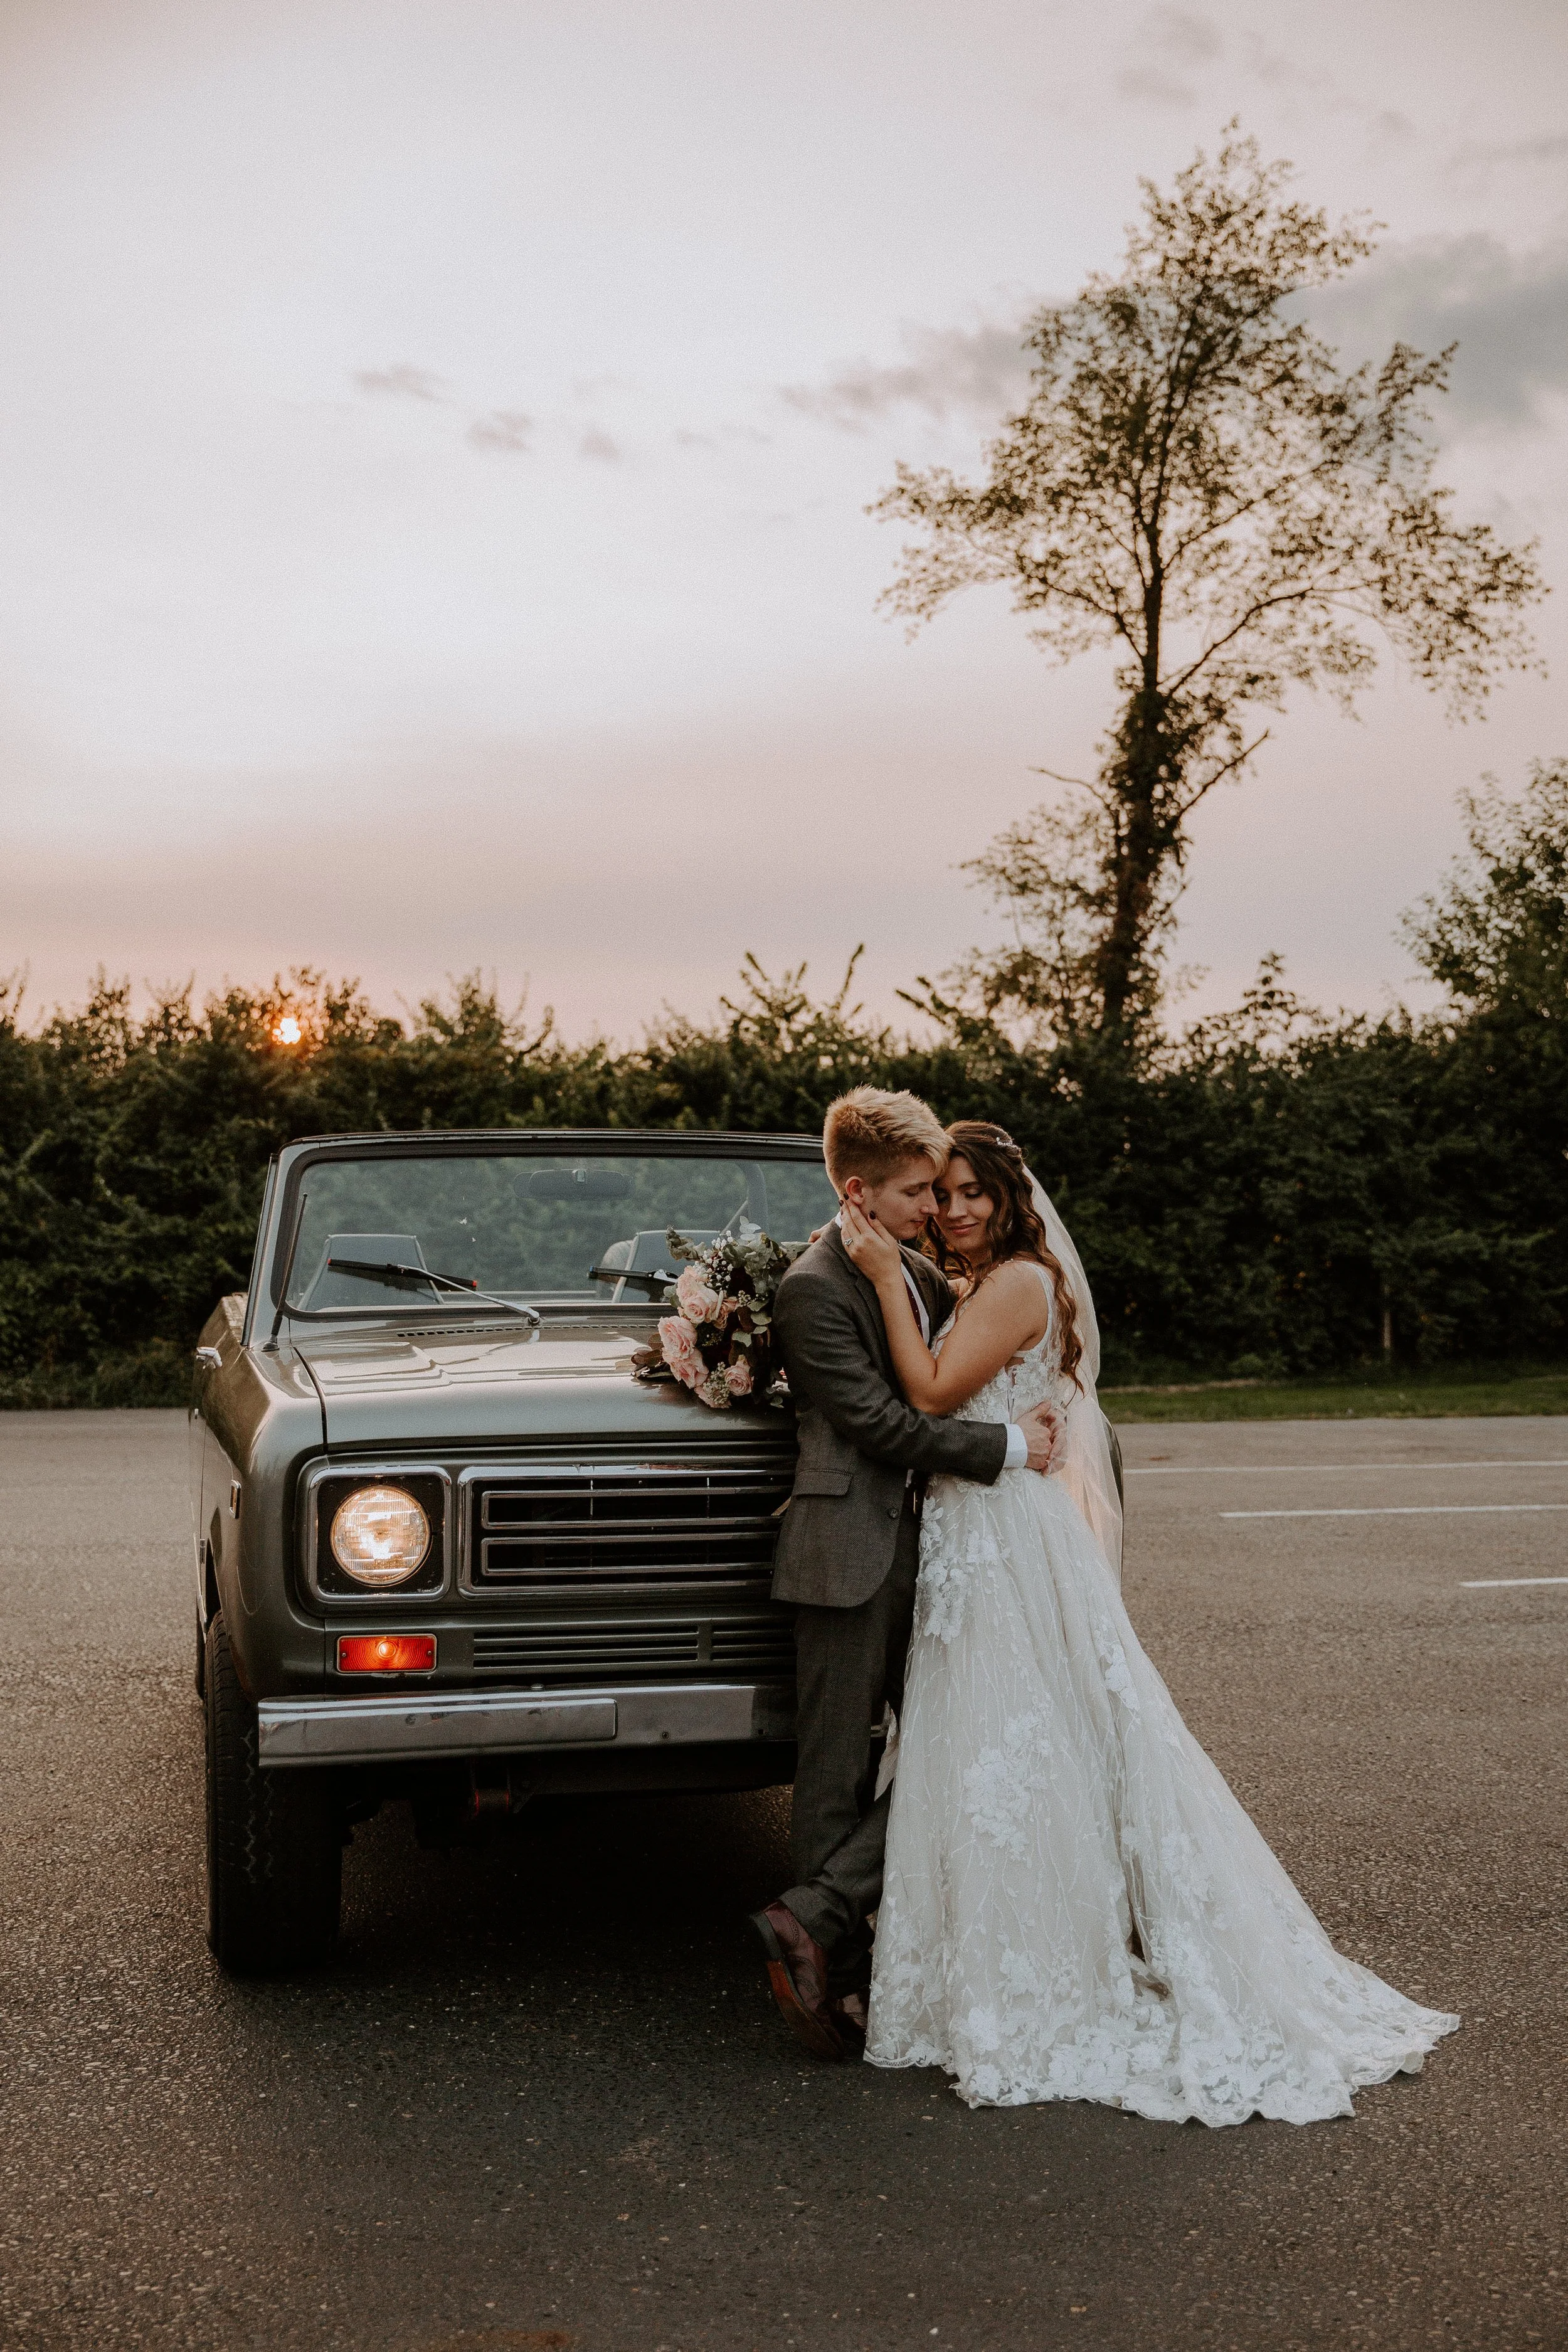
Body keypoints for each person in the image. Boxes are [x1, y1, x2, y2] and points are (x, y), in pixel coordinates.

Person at [841, 1120, 1459, 2125]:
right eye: (940, 1194)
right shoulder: (985, 1280)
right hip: (981, 1531)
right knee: (992, 1743)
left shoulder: (1014, 1284)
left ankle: (1040, 1977)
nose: (952, 1210)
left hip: (1005, 1539)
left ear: (1007, 1196)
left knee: (1014, 1739)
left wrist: (877, 1272)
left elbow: (928, 1389)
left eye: (969, 1193)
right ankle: (989, 1967)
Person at [748, 1089, 1061, 2062]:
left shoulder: (911, 1266)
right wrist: (1008, 1445)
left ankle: (816, 1917)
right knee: (836, 1770)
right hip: (843, 1555)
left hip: (930, 1554)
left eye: (939, 1191)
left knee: (942, 1748)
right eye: (919, 1190)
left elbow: (951, 1347)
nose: (936, 1208)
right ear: (860, 1193)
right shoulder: (810, 1286)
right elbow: (882, 1425)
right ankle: (821, 1981)